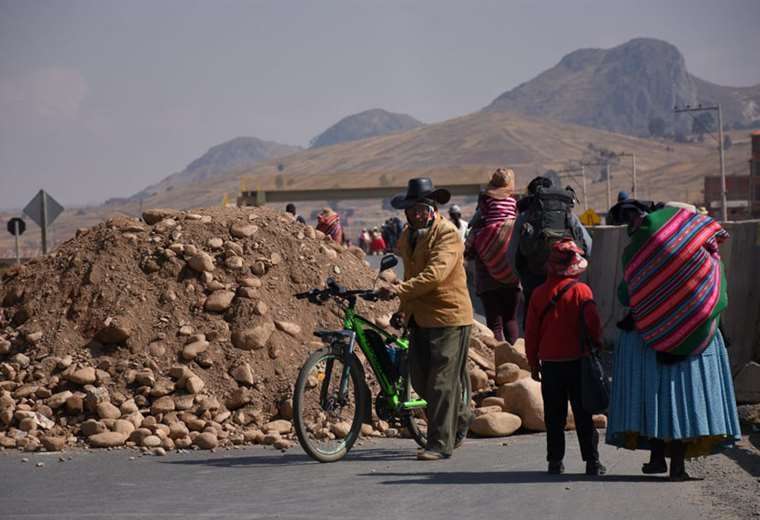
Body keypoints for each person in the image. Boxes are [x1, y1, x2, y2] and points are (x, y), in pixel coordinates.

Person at [605, 199, 741, 481]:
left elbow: (625, 295)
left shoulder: (643, 253)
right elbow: (720, 297)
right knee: (683, 400)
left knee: (655, 397)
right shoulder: (708, 258)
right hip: (695, 342)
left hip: (647, 338)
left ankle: (657, 459)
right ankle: (676, 466)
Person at [378, 177, 474, 461]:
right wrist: (402, 309)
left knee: (441, 383)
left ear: (432, 209)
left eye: (423, 208)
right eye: (412, 209)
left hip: (449, 316)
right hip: (420, 317)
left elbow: (435, 275)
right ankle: (463, 414)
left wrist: (398, 290)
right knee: (420, 380)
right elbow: (410, 275)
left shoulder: (447, 234)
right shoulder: (407, 236)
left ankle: (439, 443)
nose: (417, 214)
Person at [525, 239, 606, 476]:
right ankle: (592, 462)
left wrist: (533, 363)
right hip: (579, 362)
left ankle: (554, 462)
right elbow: (594, 326)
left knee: (554, 416)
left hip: (550, 364)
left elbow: (531, 333)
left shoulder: (539, 294)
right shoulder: (582, 291)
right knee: (583, 415)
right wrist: (597, 347)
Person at [506, 176, 592, 324]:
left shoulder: (524, 217)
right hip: (564, 278)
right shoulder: (567, 214)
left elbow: (511, 254)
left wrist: (522, 276)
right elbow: (588, 244)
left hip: (532, 279)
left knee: (535, 324)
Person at [465, 169, 521, 343]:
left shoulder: (485, 203)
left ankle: (497, 359)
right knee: (510, 319)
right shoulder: (515, 204)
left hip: (487, 273)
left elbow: (470, 250)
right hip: (511, 274)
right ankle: (515, 357)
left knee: (494, 323)